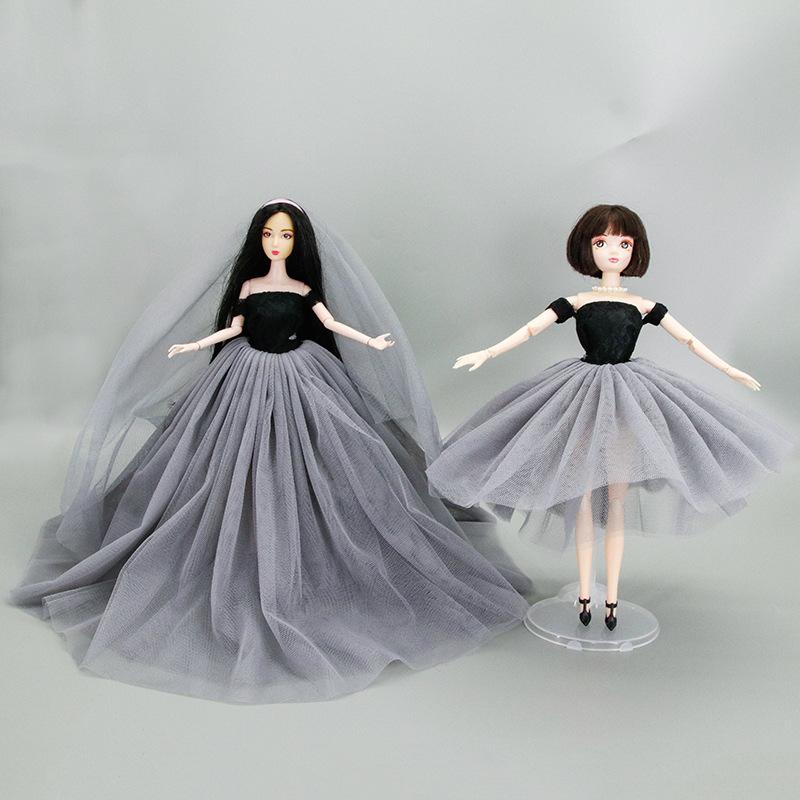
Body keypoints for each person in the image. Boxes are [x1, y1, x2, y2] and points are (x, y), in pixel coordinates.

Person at [8, 198, 529, 703]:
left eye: (285, 235)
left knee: (328, 454)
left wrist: (370, 342)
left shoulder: (303, 288)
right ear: (258, 239)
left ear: (298, 242)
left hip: (303, 373)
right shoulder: (249, 286)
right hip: (243, 372)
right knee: (220, 454)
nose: (276, 242)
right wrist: (194, 346)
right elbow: (231, 328)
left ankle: (308, 532)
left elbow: (331, 325)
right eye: (268, 234)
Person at [426, 204, 794, 630]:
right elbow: (530, 329)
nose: (613, 251)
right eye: (602, 242)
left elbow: (689, 341)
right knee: (582, 492)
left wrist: (729, 369)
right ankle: (586, 592)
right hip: (582, 394)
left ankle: (612, 597)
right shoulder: (576, 302)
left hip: (628, 396)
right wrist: (488, 352)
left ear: (635, 250)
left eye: (624, 243)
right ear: (587, 248)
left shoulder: (644, 305)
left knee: (615, 497)